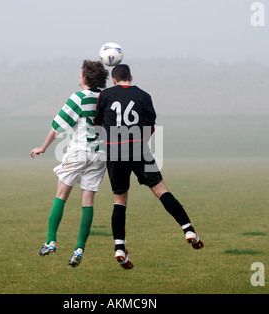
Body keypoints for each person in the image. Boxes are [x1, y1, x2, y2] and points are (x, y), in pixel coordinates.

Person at [95, 64, 204, 270]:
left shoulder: (106, 95)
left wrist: (110, 141)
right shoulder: (144, 95)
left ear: (113, 79)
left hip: (115, 153)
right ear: (131, 77)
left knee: (119, 200)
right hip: (138, 149)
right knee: (161, 190)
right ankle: (188, 230)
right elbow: (151, 124)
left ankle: (120, 248)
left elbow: (98, 123)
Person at [31, 60, 108, 268]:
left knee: (61, 194)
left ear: (85, 76)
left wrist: (43, 147)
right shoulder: (105, 97)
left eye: (81, 72)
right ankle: (79, 248)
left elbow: (58, 125)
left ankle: (50, 241)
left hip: (79, 151)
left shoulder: (79, 97)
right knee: (88, 200)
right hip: (100, 155)